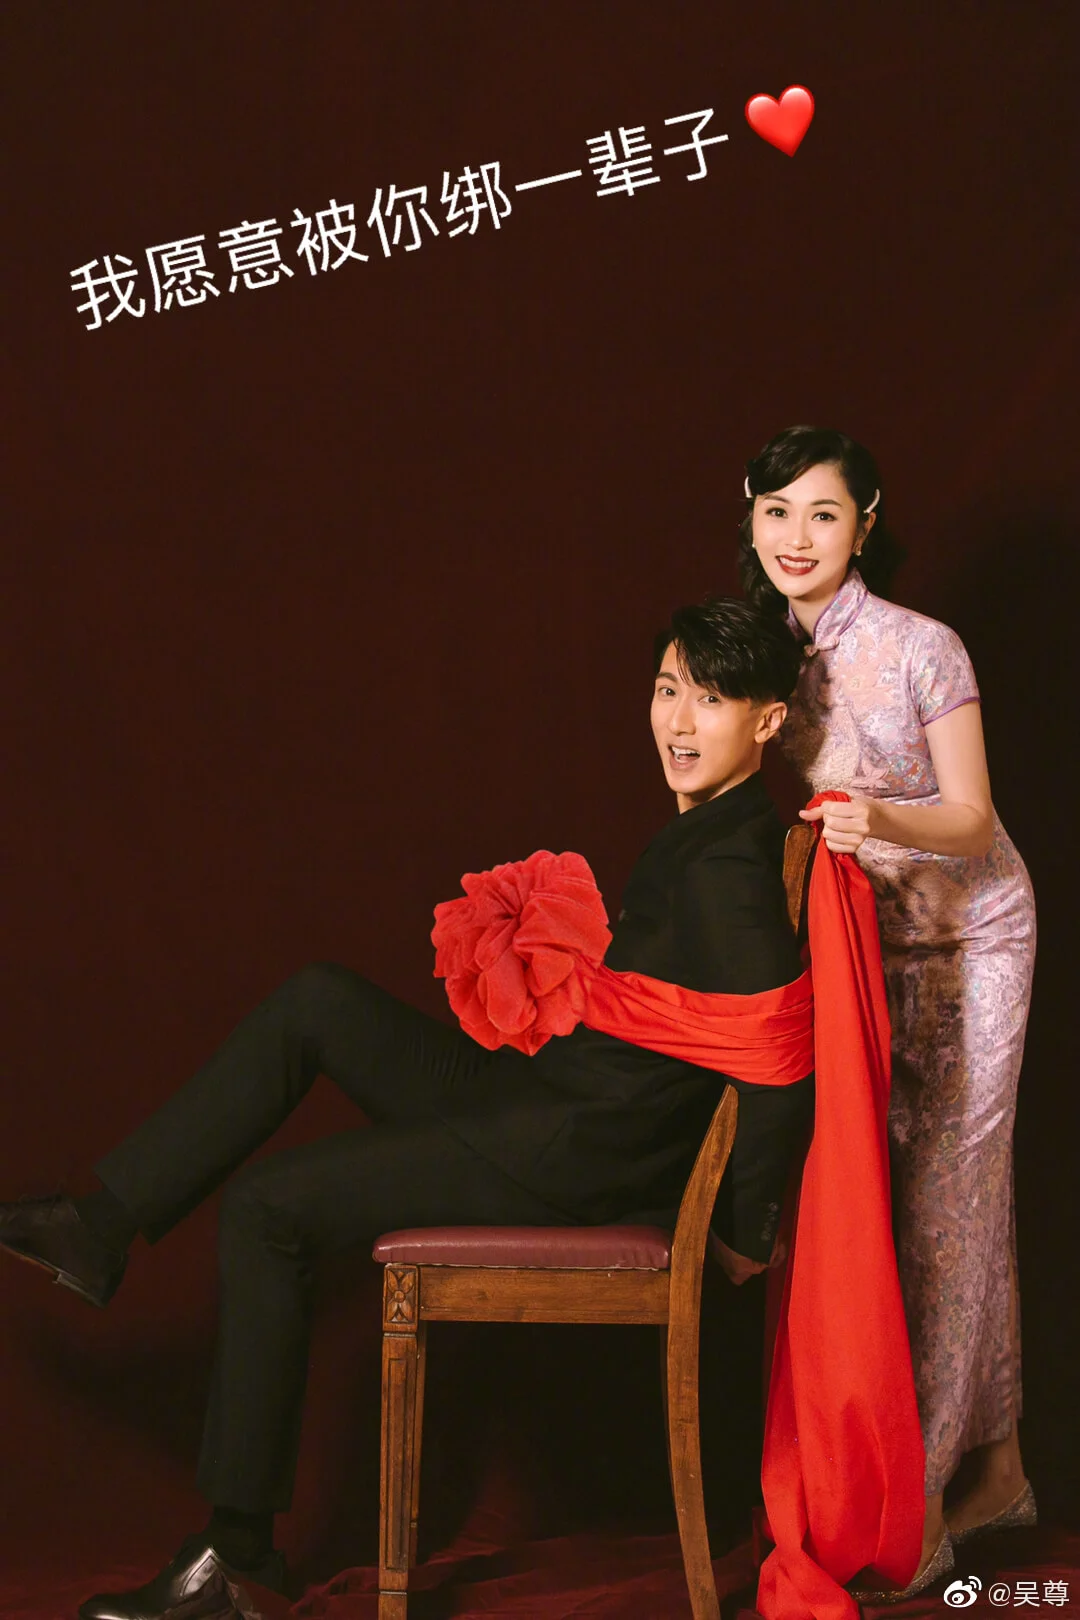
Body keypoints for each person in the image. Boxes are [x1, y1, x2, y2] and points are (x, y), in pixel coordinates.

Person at [0, 598, 815, 1620]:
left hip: (569, 1153)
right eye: (666, 690)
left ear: (768, 721)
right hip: (556, 1101)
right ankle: (99, 1227)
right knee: (319, 1002)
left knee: (265, 1209)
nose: (679, 723)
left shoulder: (731, 868)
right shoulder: (711, 832)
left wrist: (741, 1231)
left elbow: (779, 1054)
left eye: (711, 700)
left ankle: (235, 1557)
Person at [737, 424, 1036, 1599]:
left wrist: (878, 816)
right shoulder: (759, 650)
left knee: (950, 1203)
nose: (796, 537)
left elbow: (972, 816)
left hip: (975, 937)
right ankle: (1001, 1468)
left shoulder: (922, 645)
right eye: (776, 511)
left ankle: (920, 1504)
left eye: (823, 513)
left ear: (865, 523)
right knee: (923, 1201)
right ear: (748, 514)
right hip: (865, 948)